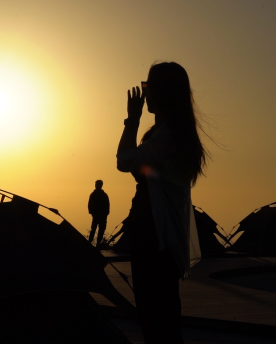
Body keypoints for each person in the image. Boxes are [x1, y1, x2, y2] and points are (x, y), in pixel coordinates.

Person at [116, 62, 208, 344]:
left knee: (157, 316)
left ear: (163, 92)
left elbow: (124, 161)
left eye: (149, 87)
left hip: (155, 237)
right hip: (149, 233)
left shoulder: (169, 137)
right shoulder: (163, 135)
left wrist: (132, 119)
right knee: (158, 314)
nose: (145, 95)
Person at [88, 179, 110, 246]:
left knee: (101, 229)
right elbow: (90, 204)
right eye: (96, 184)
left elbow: (107, 205)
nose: (96, 185)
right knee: (94, 228)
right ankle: (90, 242)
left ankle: (98, 243)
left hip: (102, 215)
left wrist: (106, 213)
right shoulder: (94, 195)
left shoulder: (103, 195)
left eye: (97, 184)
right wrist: (92, 212)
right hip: (97, 215)